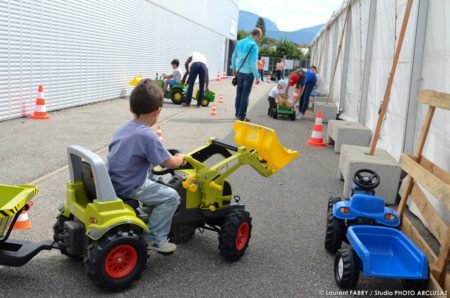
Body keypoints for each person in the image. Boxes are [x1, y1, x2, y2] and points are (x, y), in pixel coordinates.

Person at [107, 79, 185, 253]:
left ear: (131, 108)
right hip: (131, 186)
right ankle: (156, 237)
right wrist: (180, 158)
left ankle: (150, 215)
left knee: (155, 178)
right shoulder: (148, 137)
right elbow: (169, 162)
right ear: (157, 111)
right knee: (171, 196)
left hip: (115, 180)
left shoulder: (123, 128)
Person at [230, 27, 262, 122]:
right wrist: (257, 76)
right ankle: (242, 116)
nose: (258, 39)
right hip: (248, 74)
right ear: (257, 35)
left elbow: (233, 56)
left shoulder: (240, 42)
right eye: (259, 37)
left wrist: (233, 67)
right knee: (245, 96)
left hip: (239, 72)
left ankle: (237, 113)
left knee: (239, 94)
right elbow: (253, 63)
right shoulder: (254, 46)